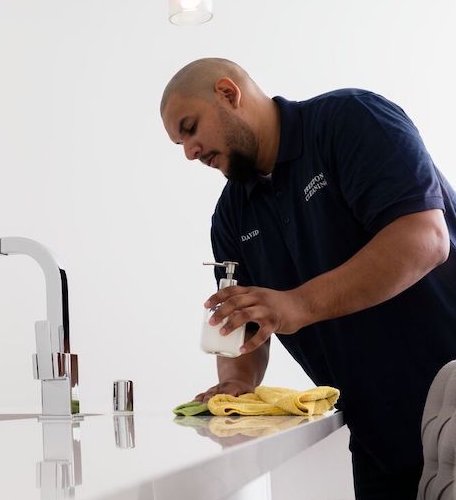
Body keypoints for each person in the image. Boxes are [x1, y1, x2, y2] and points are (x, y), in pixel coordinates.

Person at [159, 58, 456, 500]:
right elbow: (247, 321)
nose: (189, 151)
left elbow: (426, 238)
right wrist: (237, 382)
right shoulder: (230, 217)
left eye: (190, 127)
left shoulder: (350, 121)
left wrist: (295, 304)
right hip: (378, 441)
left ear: (228, 93)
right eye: (179, 142)